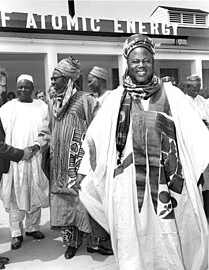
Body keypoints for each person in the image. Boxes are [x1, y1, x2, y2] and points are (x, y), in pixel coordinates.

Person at [77, 34, 209, 270]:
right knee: (133, 233)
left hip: (167, 183)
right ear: (127, 63)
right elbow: (95, 140)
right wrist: (85, 170)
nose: (141, 65)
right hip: (128, 184)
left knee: (169, 232)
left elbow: (195, 134)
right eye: (136, 61)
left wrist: (199, 168)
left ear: (153, 62)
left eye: (146, 60)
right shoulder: (117, 98)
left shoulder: (173, 95)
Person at [30, 56, 112, 260]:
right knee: (64, 203)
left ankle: (95, 242)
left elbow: (98, 131)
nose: (52, 82)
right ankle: (71, 243)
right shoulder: (52, 103)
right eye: (51, 79)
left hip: (80, 165)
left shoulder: (87, 99)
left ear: (67, 79)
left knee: (87, 200)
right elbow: (47, 129)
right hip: (59, 165)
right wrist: (38, 145)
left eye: (55, 78)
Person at [0, 74, 49, 251]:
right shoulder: (6, 109)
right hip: (14, 161)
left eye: (26, 87)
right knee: (15, 197)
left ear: (32, 88)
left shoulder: (42, 106)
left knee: (34, 193)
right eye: (20, 87)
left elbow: (47, 131)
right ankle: (15, 233)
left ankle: (33, 227)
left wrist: (36, 147)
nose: (22, 90)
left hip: (35, 157)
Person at [0, 67, 33, 269]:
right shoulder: (2, 108)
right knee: (12, 201)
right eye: (2, 86)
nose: (3, 91)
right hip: (12, 158)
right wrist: (20, 153)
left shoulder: (41, 106)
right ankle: (12, 238)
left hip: (23, 161)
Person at [185, 74, 209, 220]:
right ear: (187, 87)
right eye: (194, 88)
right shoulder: (182, 101)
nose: (196, 91)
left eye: (198, 88)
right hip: (190, 144)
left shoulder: (202, 101)